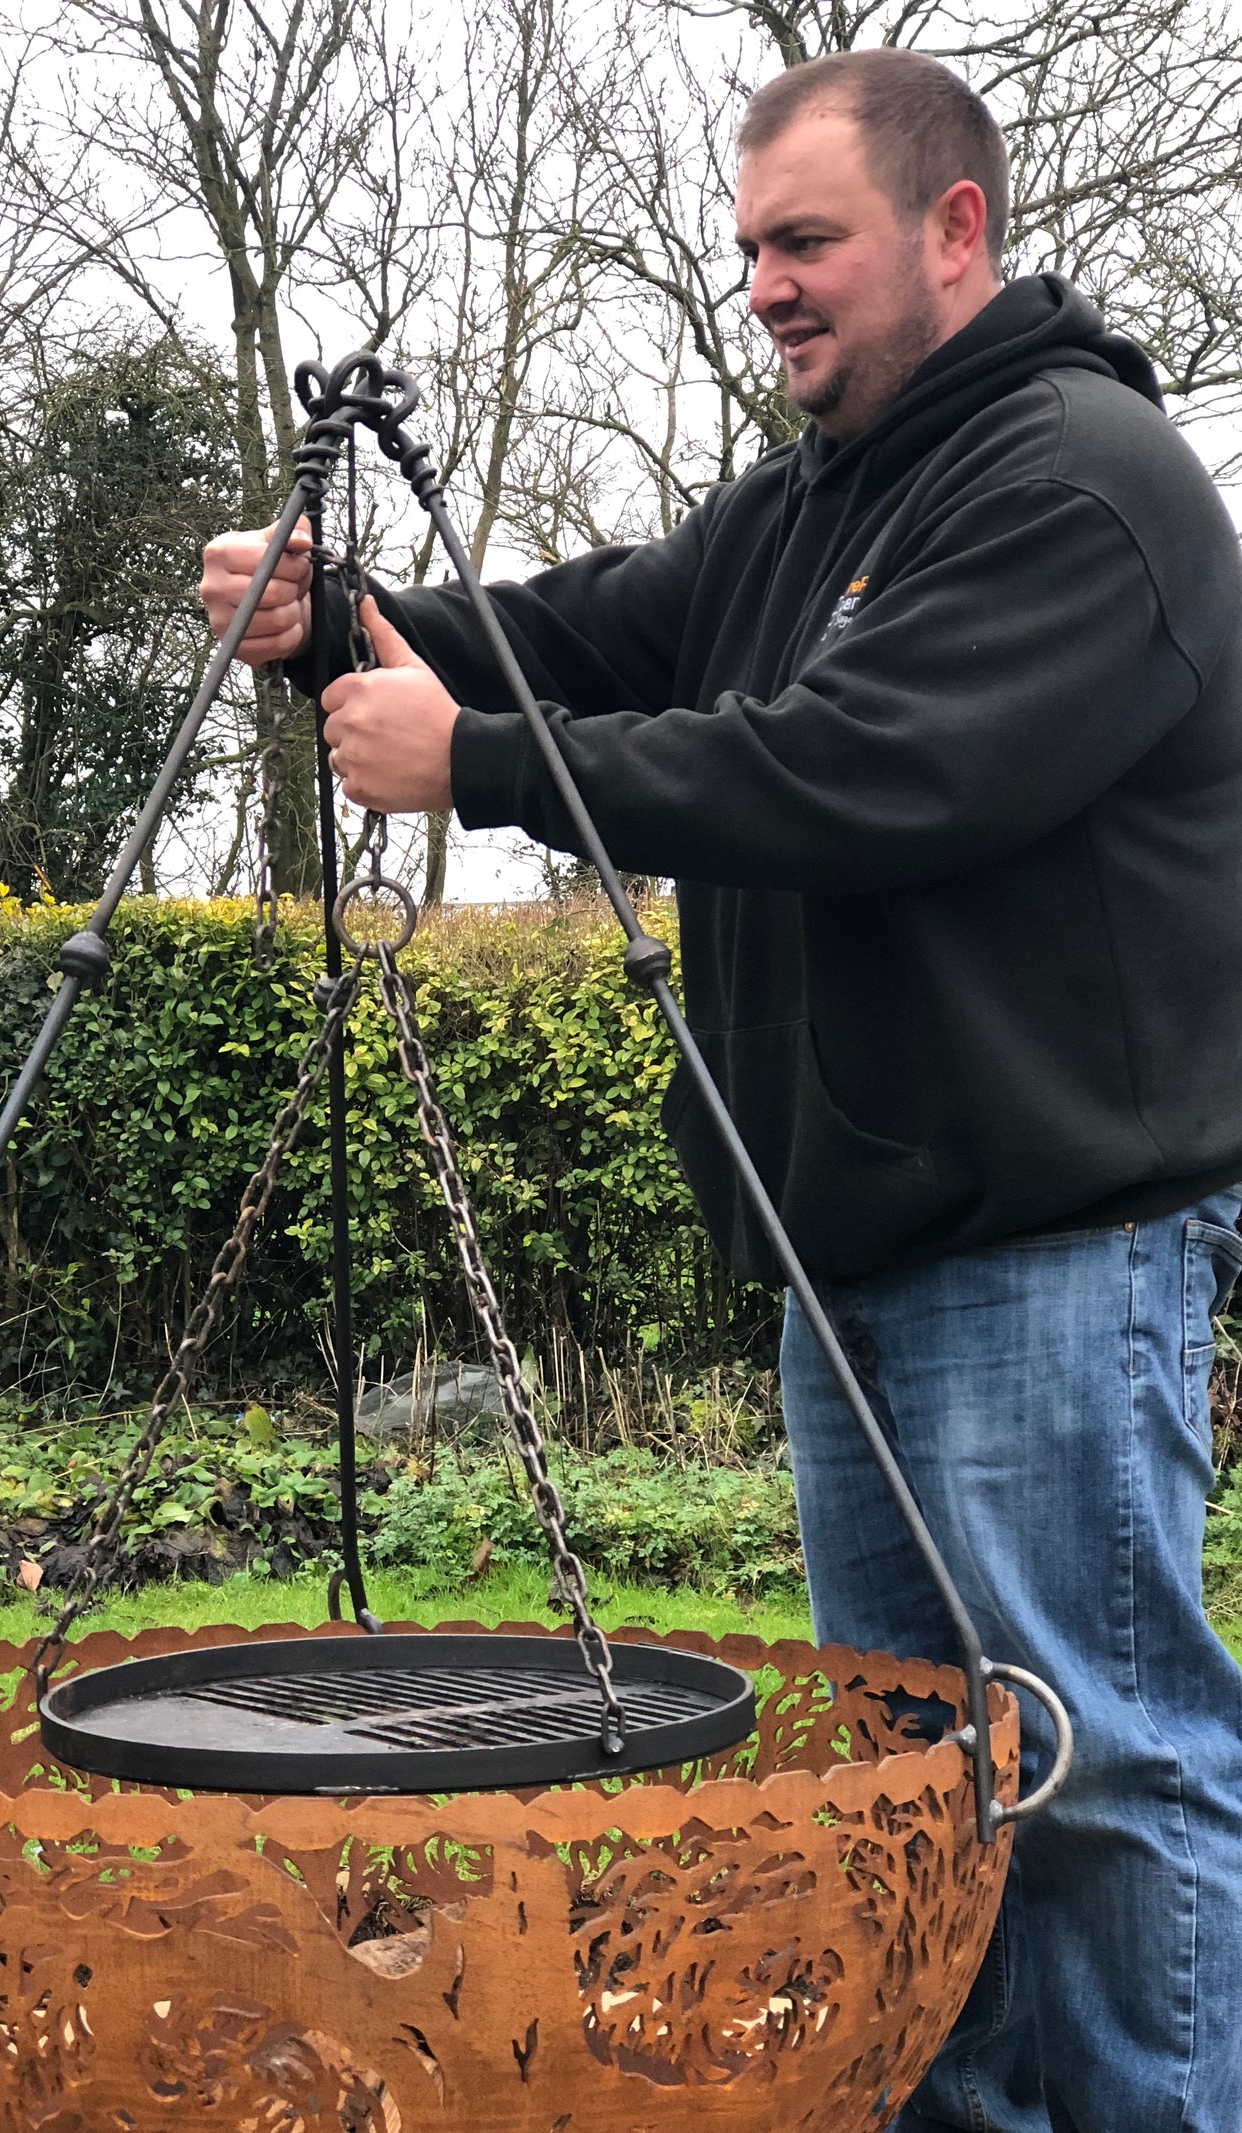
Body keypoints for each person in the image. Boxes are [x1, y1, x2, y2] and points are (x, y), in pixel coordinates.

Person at [199, 47, 1242, 2133]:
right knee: (912, 1780)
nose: (760, 283)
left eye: (803, 240)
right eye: (746, 243)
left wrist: (475, 768)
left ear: (952, 229)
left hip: (1042, 1247)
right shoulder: (803, 503)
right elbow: (586, 634)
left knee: (1093, 1760)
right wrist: (348, 634)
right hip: (846, 1251)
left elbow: (855, 769)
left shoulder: (1075, 479)